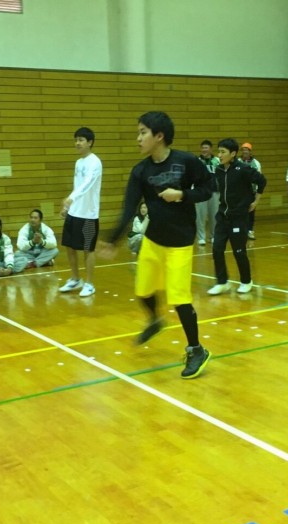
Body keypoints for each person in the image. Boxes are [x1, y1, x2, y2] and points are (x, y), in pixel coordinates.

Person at [100, 111, 213, 379]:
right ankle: (155, 319)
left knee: (179, 299)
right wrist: (113, 240)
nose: (138, 138)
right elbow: (129, 208)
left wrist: (182, 194)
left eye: (143, 133)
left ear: (159, 136)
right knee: (143, 291)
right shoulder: (140, 171)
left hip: (180, 243)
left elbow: (208, 188)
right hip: (153, 240)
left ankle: (196, 350)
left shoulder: (186, 161)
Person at [208, 138, 267, 295]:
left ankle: (246, 281)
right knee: (217, 249)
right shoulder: (218, 170)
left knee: (239, 251)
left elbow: (262, 181)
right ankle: (222, 282)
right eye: (219, 151)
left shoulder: (243, 169)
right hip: (222, 216)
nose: (219, 155)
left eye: (223, 152)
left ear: (233, 153)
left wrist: (256, 201)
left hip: (239, 218)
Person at [59, 127, 102, 298]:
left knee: (87, 249)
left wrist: (71, 198)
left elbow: (88, 183)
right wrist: (68, 207)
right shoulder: (78, 163)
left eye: (81, 140)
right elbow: (77, 186)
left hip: (89, 215)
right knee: (69, 246)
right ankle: (75, 279)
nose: (77, 143)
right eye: (76, 140)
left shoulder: (95, 162)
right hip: (74, 213)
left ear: (90, 142)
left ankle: (89, 284)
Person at [195, 140, 220, 246]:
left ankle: (213, 236)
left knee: (214, 215)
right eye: (202, 148)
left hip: (214, 192)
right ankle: (201, 238)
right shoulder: (196, 161)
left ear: (211, 149)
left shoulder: (217, 161)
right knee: (200, 216)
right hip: (201, 192)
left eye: (206, 148)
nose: (204, 150)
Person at [238, 142, 262, 239]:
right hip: (239, 191)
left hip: (252, 191)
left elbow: (260, 178)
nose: (244, 152)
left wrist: (257, 192)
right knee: (239, 211)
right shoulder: (237, 161)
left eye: (246, 150)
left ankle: (250, 231)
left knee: (251, 212)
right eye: (243, 150)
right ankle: (240, 230)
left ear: (250, 151)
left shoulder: (256, 163)